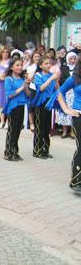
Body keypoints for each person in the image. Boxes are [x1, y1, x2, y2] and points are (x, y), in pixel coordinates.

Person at [46, 59, 81, 191]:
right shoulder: (75, 78)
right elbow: (59, 91)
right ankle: (76, 180)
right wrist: (66, 108)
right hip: (79, 116)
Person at [2, 59, 31, 161]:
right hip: (13, 107)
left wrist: (26, 86)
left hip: (22, 106)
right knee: (12, 129)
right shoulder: (9, 79)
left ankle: (15, 151)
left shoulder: (22, 79)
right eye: (17, 65)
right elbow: (9, 95)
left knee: (18, 129)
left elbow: (28, 94)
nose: (19, 67)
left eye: (21, 65)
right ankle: (8, 152)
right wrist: (21, 88)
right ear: (12, 67)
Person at [31, 56, 59, 159]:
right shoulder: (38, 75)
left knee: (47, 128)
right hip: (40, 103)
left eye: (49, 63)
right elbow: (41, 88)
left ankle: (45, 149)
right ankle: (37, 150)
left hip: (49, 103)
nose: (48, 65)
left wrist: (55, 80)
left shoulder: (52, 75)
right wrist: (52, 78)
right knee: (40, 127)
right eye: (46, 63)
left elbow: (57, 89)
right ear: (41, 65)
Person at [57, 52, 77, 138]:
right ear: (67, 59)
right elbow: (61, 79)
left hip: (75, 93)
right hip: (66, 92)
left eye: (74, 58)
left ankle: (73, 131)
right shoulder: (63, 68)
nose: (72, 60)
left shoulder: (78, 68)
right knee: (64, 111)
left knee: (73, 110)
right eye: (71, 58)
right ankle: (64, 131)